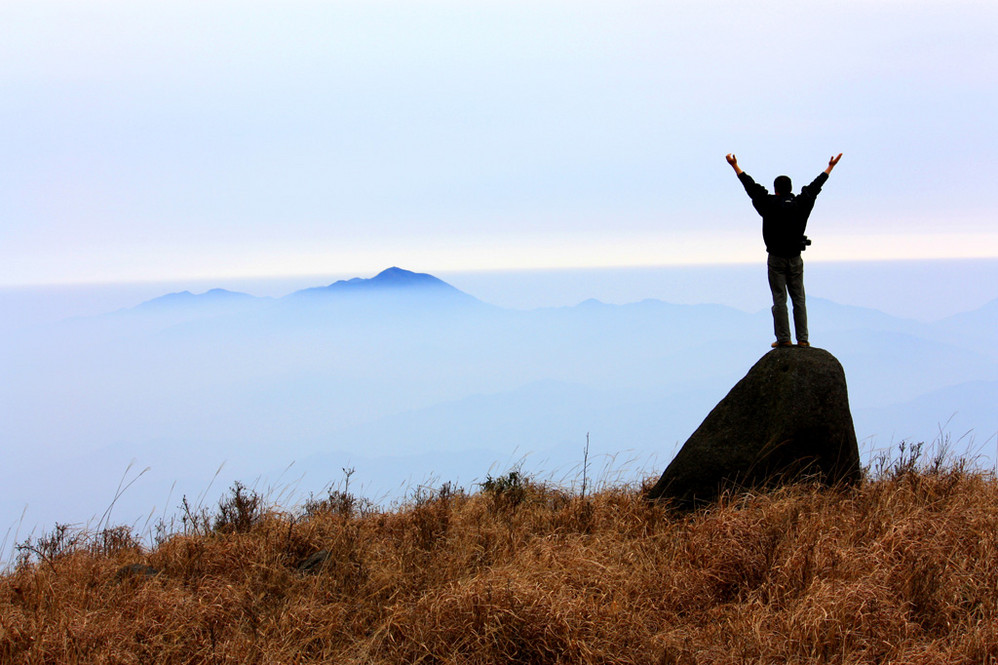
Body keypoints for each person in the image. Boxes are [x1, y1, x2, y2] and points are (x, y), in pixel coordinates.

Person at [725, 152, 842, 348]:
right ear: (790, 189)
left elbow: (752, 188)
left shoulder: (769, 204)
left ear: (775, 190)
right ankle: (803, 340)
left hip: (776, 258)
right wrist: (829, 168)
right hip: (795, 258)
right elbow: (814, 188)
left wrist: (735, 166)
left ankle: (784, 339)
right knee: (799, 299)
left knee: (779, 299)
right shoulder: (800, 204)